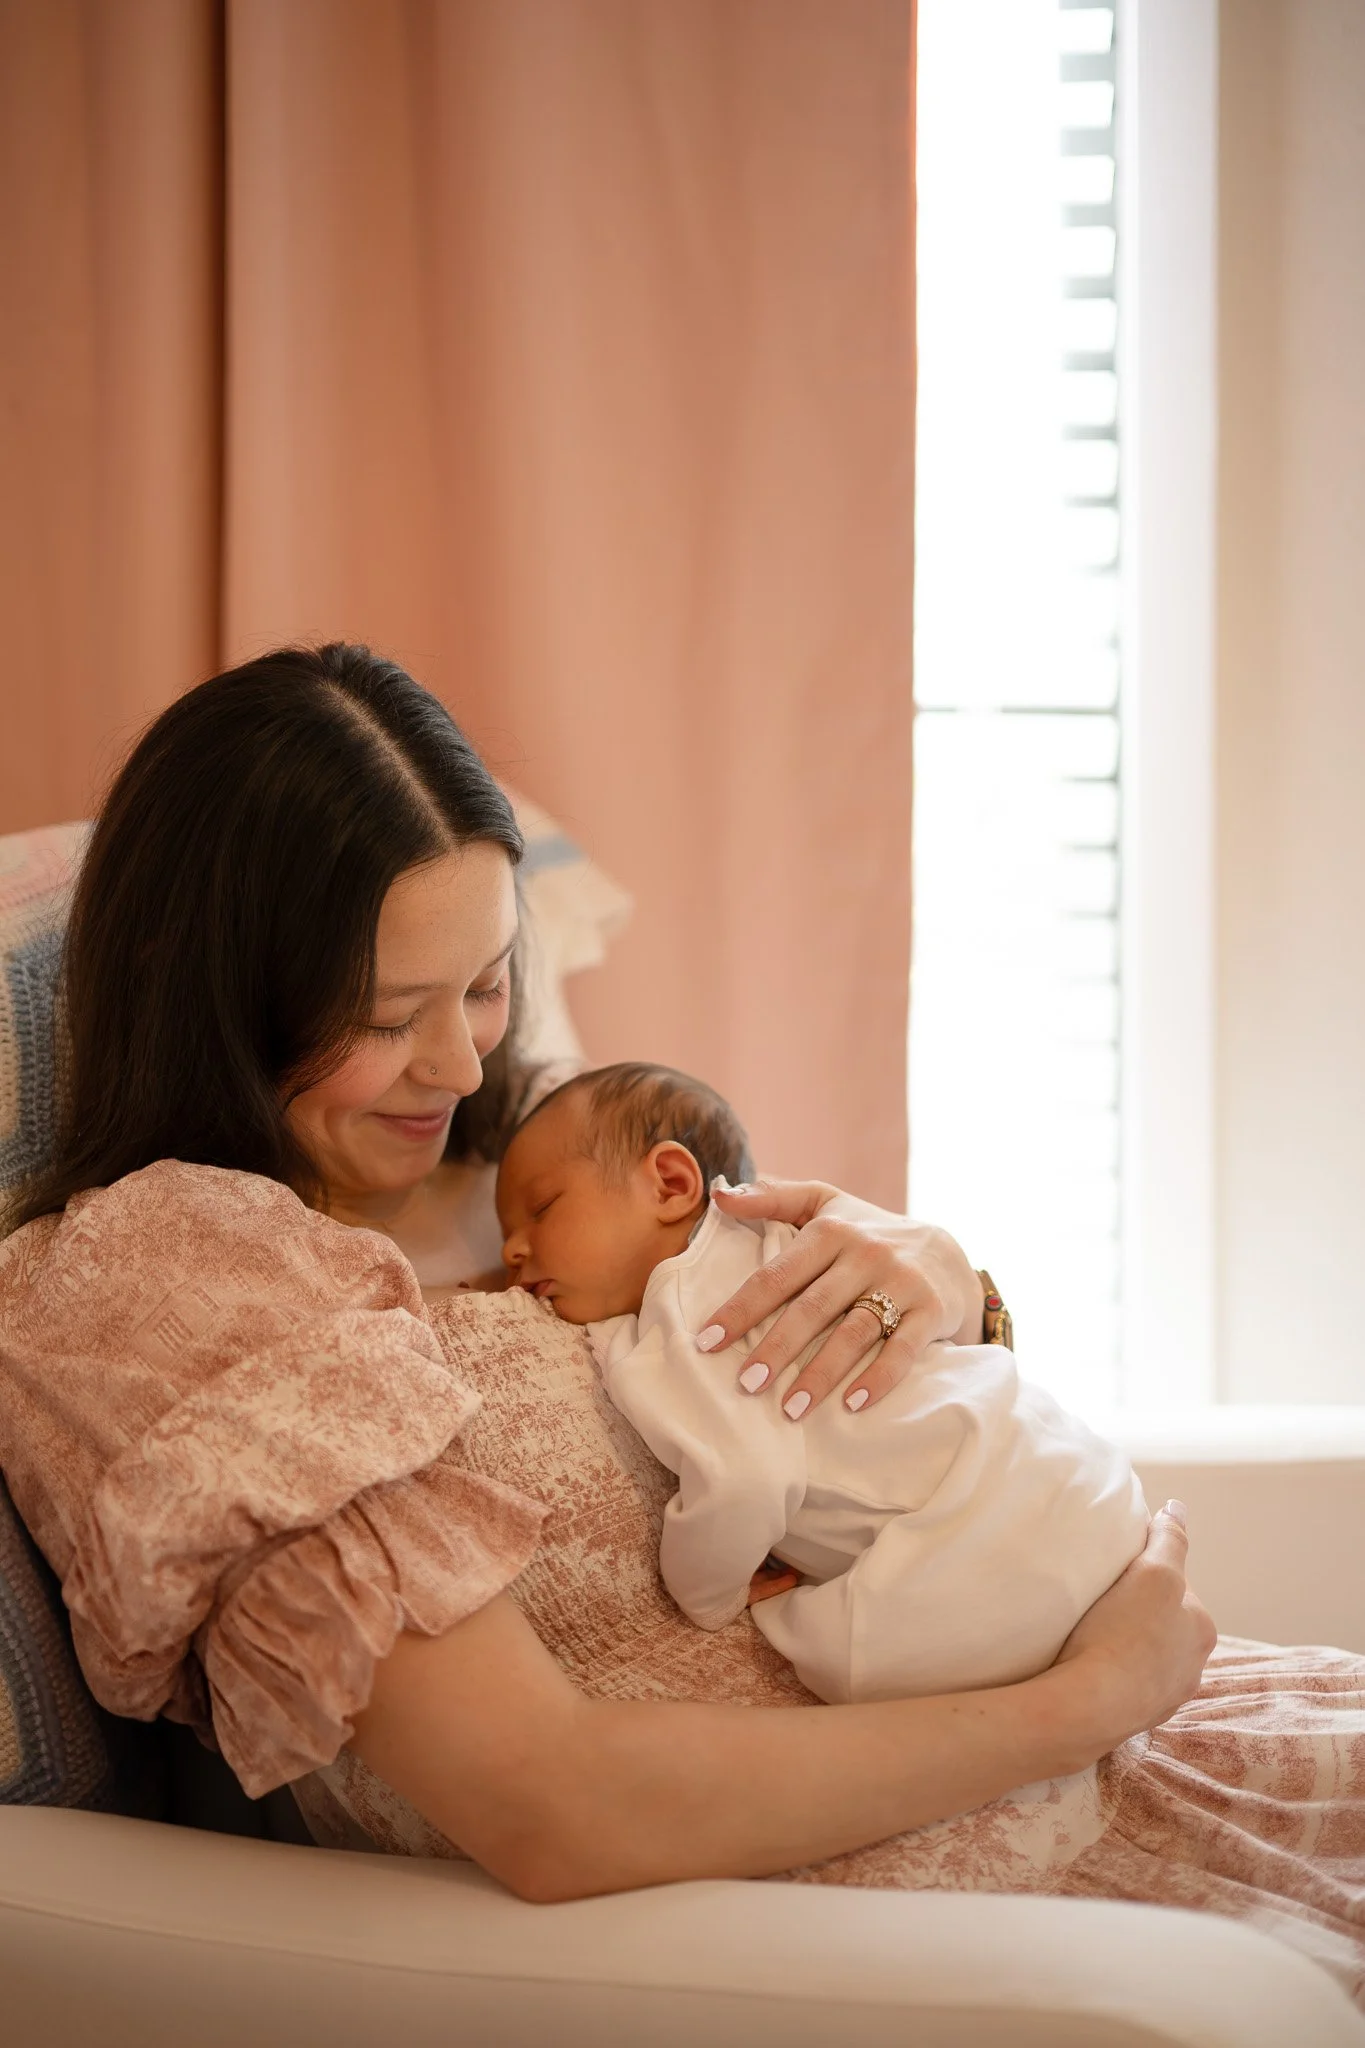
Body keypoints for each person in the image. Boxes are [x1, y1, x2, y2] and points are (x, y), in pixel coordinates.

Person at [0, 644, 1359, 1999]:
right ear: (205, 987)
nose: (462, 1061)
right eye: (389, 1015)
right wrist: (1088, 1701)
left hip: (1104, 1741)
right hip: (955, 1854)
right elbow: (553, 1800)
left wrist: (956, 1293)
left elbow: (858, 1448)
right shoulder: (171, 1271)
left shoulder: (530, 1151)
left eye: (485, 983)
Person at [495, 1061, 1149, 1704]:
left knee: (844, 1661)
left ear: (670, 1183)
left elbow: (745, 1480)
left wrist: (706, 1599)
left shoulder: (679, 1320)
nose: (510, 1251)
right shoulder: (796, 1237)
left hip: (984, 1536)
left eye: (541, 1209)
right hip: (1079, 1473)